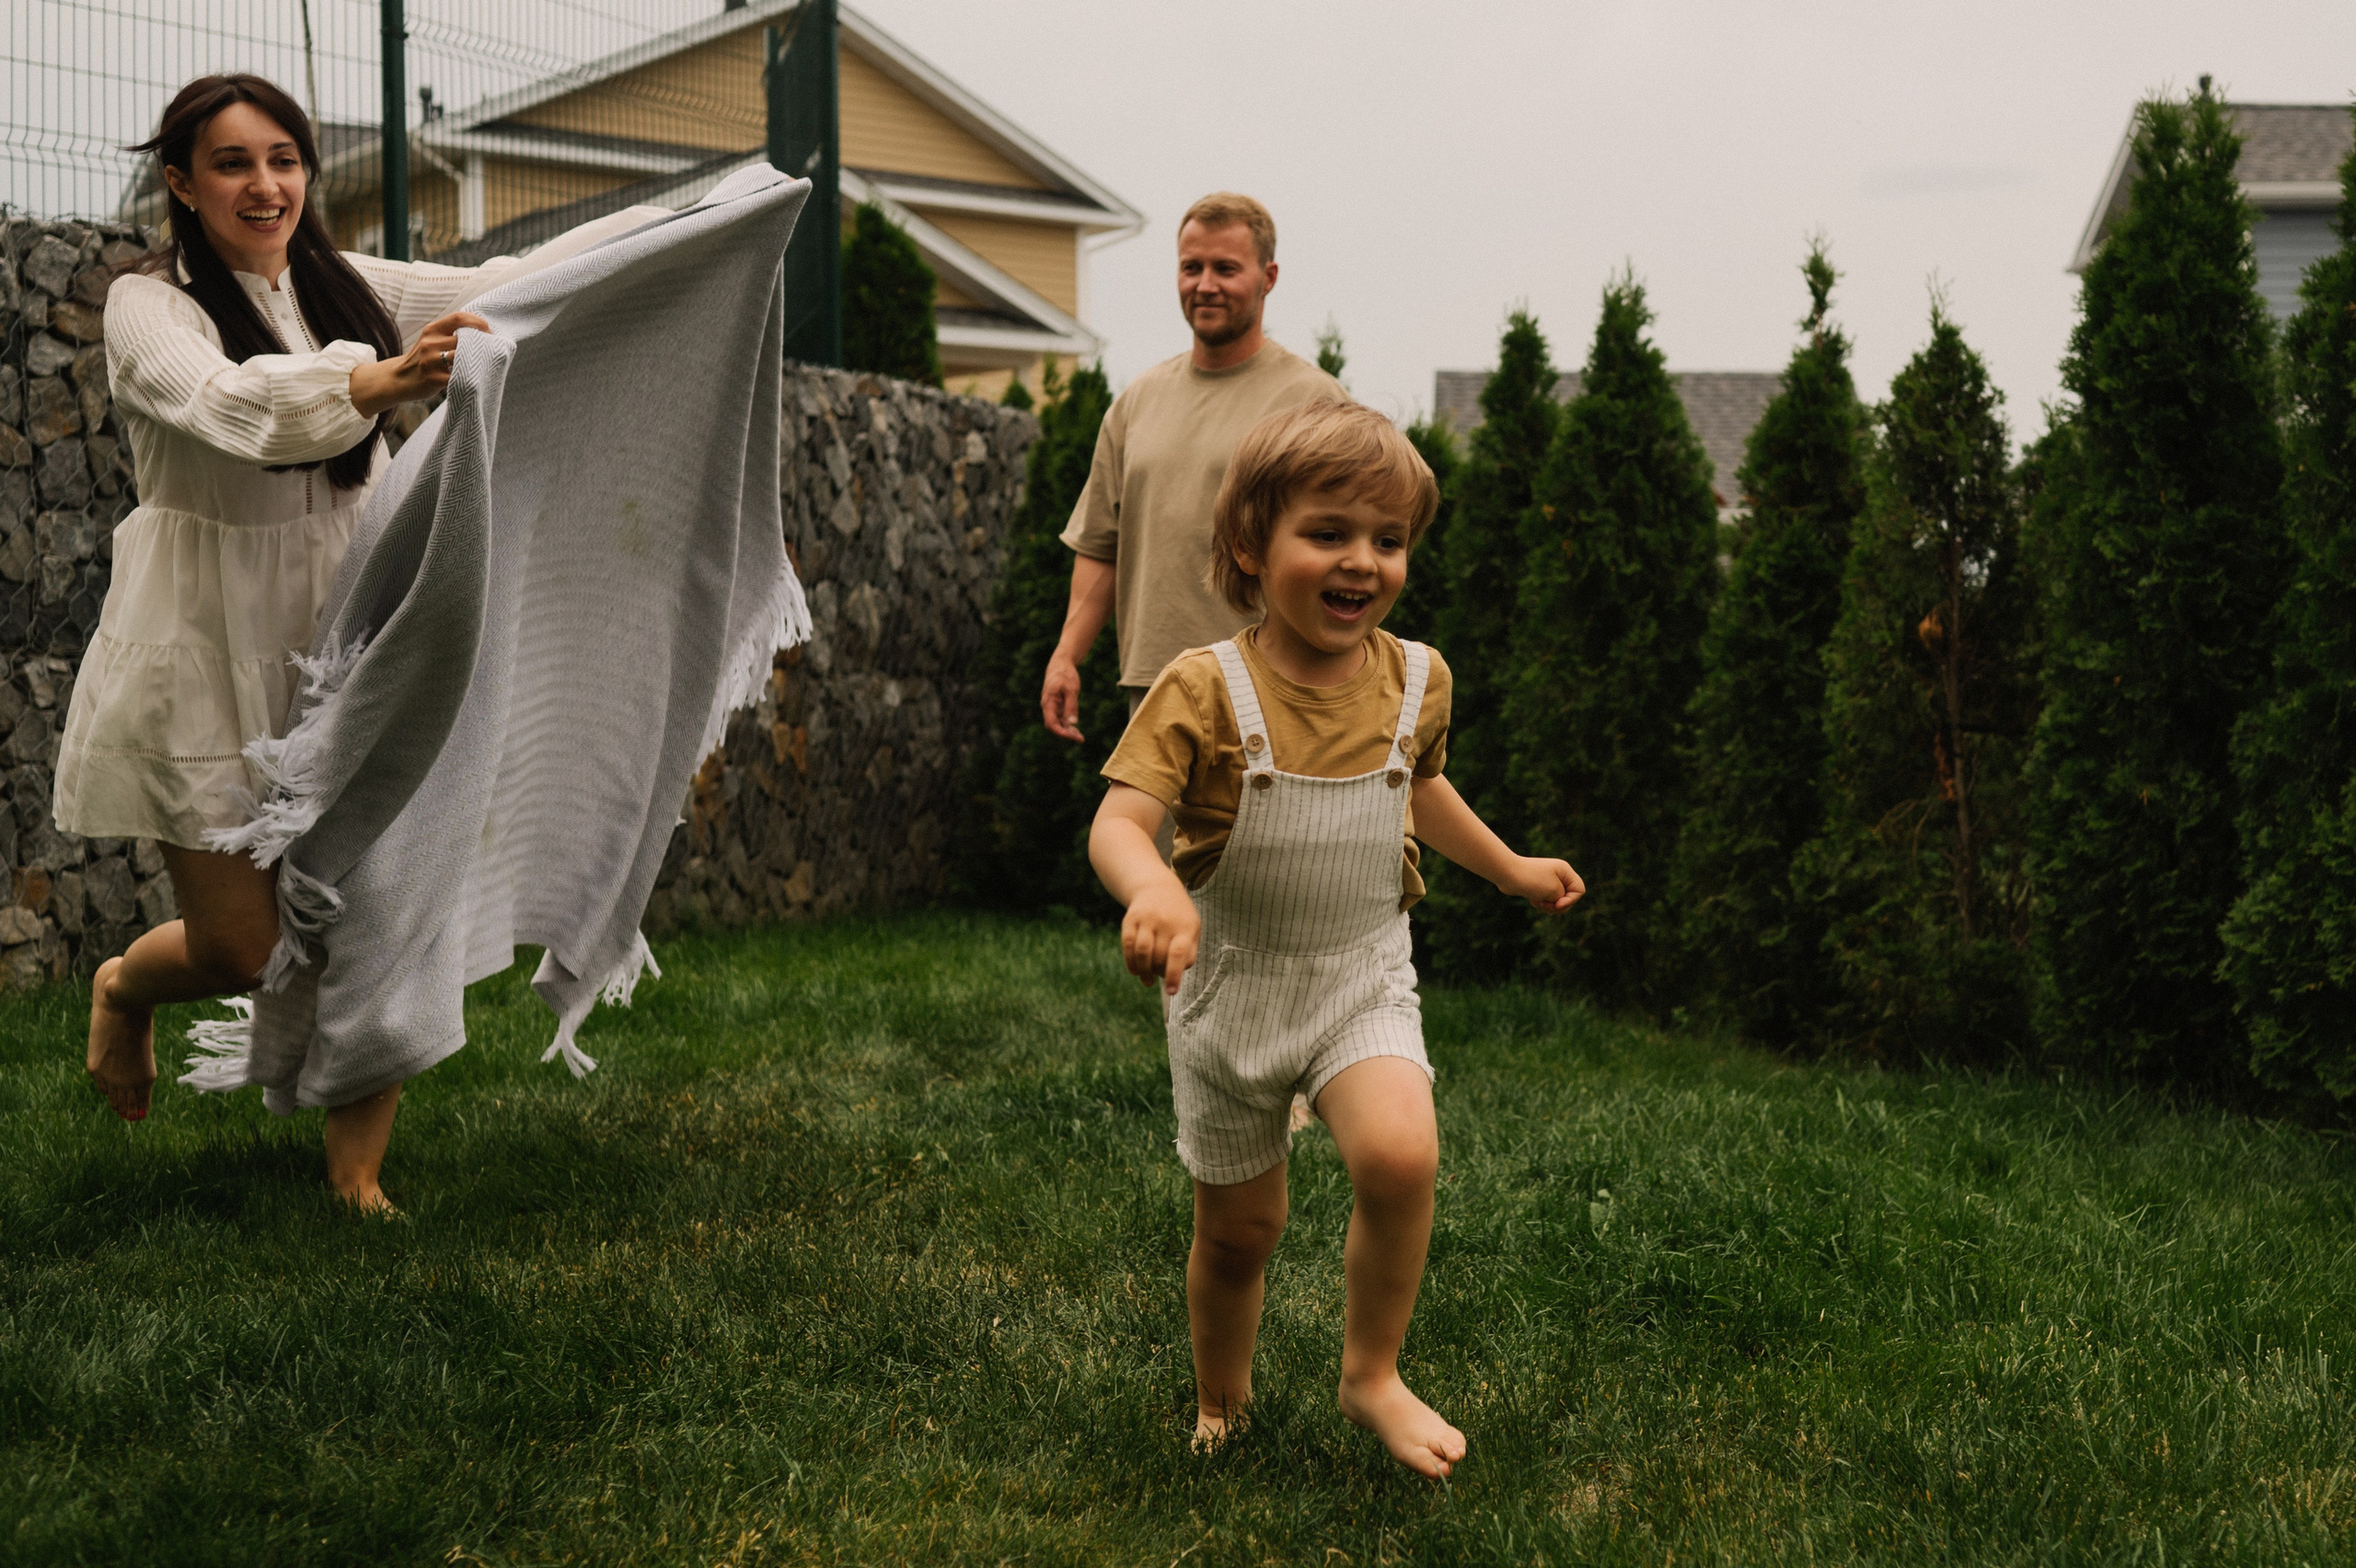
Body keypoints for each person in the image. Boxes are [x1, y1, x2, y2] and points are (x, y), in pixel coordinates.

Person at [62, 74, 657, 1210]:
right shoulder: (151, 305)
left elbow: (508, 283)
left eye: (285, 158)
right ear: (182, 184)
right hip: (206, 643)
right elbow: (224, 403)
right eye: (233, 163)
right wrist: (366, 379)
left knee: (387, 885)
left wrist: (686, 220)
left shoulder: (350, 282)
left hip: (360, 626)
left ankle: (356, 1180)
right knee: (242, 948)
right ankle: (124, 993)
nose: (266, 184)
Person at [1086, 400, 1585, 1478]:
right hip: (1230, 991)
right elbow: (1121, 821)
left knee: (1402, 1153)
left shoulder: (1417, 680)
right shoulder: (1202, 689)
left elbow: (1423, 789)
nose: (1362, 562)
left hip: (1363, 975)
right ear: (1248, 549)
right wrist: (1153, 893)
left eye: (1388, 540)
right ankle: (1223, 1400)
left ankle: (1371, 1375)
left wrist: (1504, 867)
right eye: (1328, 534)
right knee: (1239, 1233)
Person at [1041, 192, 1342, 749]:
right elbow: (1102, 546)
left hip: (1273, 686)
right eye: (1191, 267)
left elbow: (1343, 551)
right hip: (1155, 687)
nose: (1205, 284)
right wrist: (1066, 655)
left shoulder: (1313, 401)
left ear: (1267, 277)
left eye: (1226, 268)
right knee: (1143, 840)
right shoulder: (1138, 401)